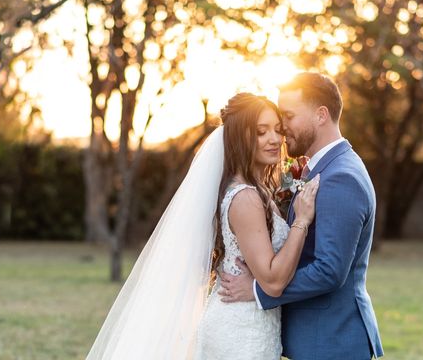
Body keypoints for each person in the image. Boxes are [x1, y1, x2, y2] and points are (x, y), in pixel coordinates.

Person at [85, 92, 318, 359]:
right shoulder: (245, 198)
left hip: (250, 324)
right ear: (239, 137)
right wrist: (301, 221)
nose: (275, 139)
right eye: (261, 132)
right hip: (241, 332)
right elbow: (273, 282)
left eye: (277, 130)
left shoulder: (255, 190)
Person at [219, 72, 384, 360]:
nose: (282, 128)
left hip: (330, 342)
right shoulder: (323, 169)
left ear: (321, 115)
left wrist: (258, 290)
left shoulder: (340, 177)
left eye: (289, 116)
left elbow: (329, 271)